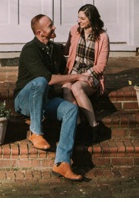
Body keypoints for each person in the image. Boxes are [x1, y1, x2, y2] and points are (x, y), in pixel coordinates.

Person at [13, 13, 93, 181]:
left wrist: (87, 76)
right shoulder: (30, 50)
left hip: (45, 101)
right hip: (25, 101)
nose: (54, 27)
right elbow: (49, 80)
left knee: (71, 110)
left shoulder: (55, 49)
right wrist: (75, 78)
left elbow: (66, 71)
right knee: (41, 81)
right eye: (50, 26)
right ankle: (35, 132)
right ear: (39, 33)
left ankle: (62, 163)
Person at [61, 4, 110, 144]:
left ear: (91, 19)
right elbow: (67, 50)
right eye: (78, 17)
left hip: (91, 74)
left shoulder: (102, 37)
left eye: (82, 18)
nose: (78, 21)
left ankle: (94, 126)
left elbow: (101, 65)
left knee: (77, 88)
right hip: (74, 70)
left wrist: (87, 74)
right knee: (66, 88)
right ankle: (77, 126)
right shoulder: (74, 31)